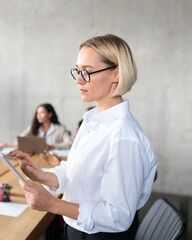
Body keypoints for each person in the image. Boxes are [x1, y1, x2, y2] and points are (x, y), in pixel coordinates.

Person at [11, 34, 158, 240]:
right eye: (78, 71)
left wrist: (53, 204)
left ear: (116, 73)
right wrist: (42, 175)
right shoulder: (92, 119)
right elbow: (76, 173)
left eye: (87, 72)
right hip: (77, 230)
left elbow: (118, 217)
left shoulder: (124, 137)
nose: (79, 79)